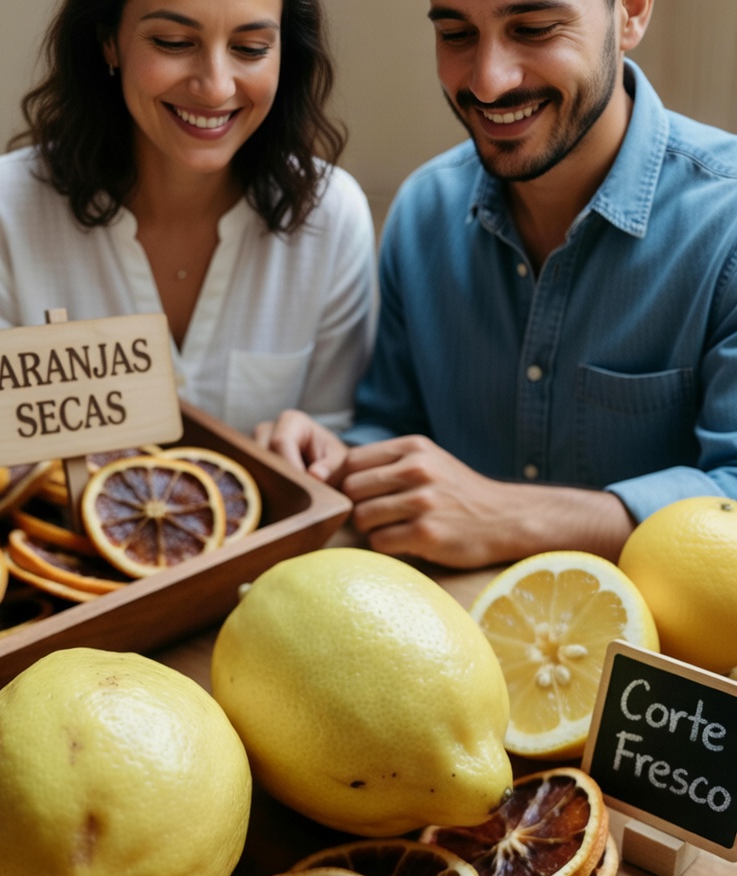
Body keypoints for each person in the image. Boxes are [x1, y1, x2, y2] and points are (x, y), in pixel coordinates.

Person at [260, 0, 737, 568]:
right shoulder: (424, 212)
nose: (488, 82)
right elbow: (394, 429)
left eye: (534, 29)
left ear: (630, 14)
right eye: (457, 34)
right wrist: (335, 461)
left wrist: (509, 517)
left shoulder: (726, 223)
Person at [0, 0, 376, 438]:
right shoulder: (0, 210)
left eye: (251, 48)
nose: (216, 87)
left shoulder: (331, 217)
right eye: (174, 42)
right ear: (109, 41)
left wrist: (316, 448)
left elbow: (335, 433)